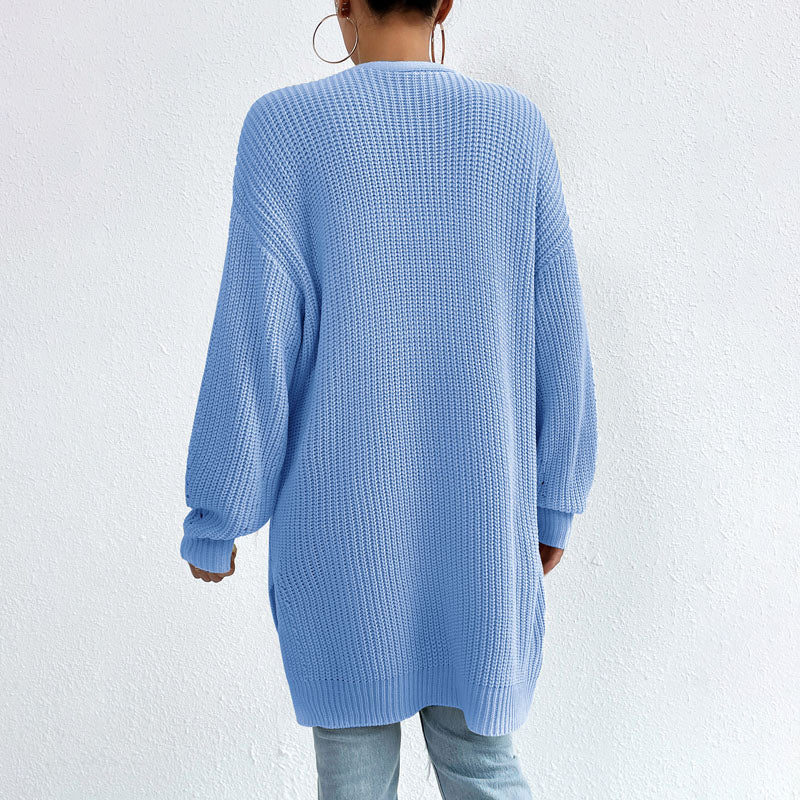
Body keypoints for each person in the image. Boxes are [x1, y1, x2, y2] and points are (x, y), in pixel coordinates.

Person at [180, 0, 597, 796]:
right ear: (444, 4)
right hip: (481, 520)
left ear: (343, 3)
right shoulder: (514, 129)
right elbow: (560, 333)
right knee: (483, 766)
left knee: (354, 780)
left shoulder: (284, 129)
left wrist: (217, 514)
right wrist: (553, 500)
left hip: (341, 531)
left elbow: (253, 338)